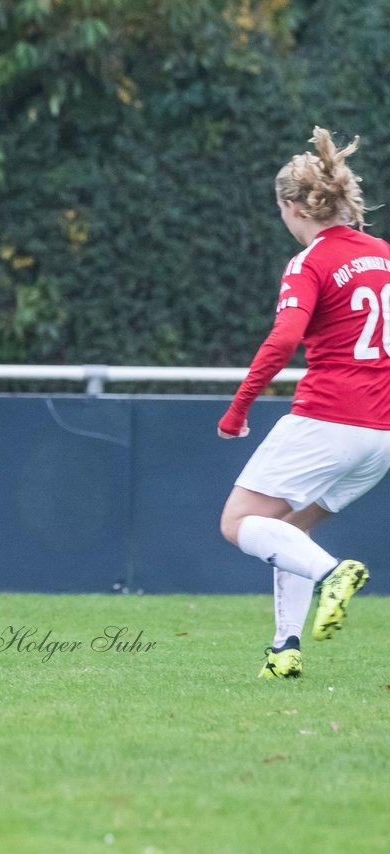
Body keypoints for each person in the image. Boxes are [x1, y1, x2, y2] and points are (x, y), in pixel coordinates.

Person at [218, 126, 387, 679]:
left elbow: (284, 338)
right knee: (290, 530)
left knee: (239, 521)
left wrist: (238, 409)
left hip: (328, 417)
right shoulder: (383, 256)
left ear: (292, 207)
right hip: (380, 435)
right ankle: (284, 650)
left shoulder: (311, 261)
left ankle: (335, 574)